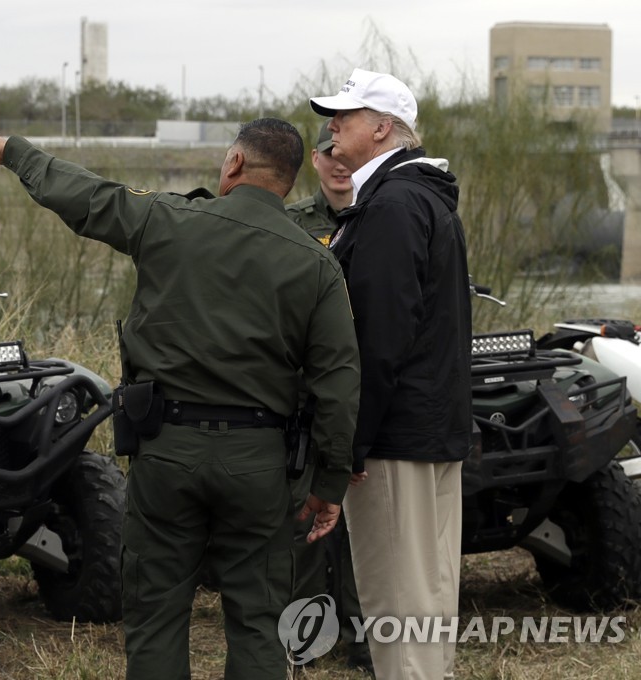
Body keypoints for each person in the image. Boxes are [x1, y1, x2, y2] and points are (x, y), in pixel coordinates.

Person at [0, 119, 361, 680]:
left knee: (155, 615)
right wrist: (330, 484)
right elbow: (339, 382)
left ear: (232, 165)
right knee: (259, 621)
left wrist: (16, 152)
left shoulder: (167, 219)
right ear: (291, 177)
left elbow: (86, 195)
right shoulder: (317, 262)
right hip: (262, 462)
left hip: (167, 453)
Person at [309, 68, 472, 679]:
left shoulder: (394, 205)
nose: (332, 127)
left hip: (396, 439)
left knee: (398, 604)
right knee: (423, 597)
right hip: (424, 429)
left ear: (381, 130)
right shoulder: (415, 198)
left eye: (344, 118)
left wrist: (348, 444)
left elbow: (377, 339)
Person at [285, 119, 370, 673]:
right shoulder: (291, 225)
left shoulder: (383, 217)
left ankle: (366, 634)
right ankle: (307, 635)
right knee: (307, 522)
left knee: (367, 524)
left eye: (346, 154)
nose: (338, 164)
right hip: (307, 393)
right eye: (327, 154)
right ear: (314, 161)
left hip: (368, 390)